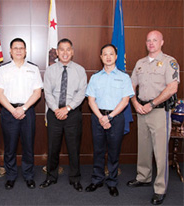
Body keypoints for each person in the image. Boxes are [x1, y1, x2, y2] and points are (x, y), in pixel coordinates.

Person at [128, 30, 179, 205]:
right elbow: (131, 85)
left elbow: (172, 88)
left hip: (158, 112)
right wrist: (135, 103)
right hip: (141, 110)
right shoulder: (140, 63)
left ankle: (160, 188)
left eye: (155, 40)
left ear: (162, 42)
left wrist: (152, 104)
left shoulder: (169, 62)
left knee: (160, 151)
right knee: (143, 147)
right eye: (148, 40)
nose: (151, 43)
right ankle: (143, 177)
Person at [0, 38, 43, 190]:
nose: (19, 50)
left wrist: (24, 108)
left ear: (26, 51)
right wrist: (13, 110)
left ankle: (28, 176)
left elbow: (37, 93)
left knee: (28, 146)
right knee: (10, 146)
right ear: (10, 51)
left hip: (28, 111)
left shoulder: (33, 69)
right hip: (9, 112)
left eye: (21, 48)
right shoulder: (3, 69)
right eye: (15, 48)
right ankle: (11, 176)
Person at [85, 44, 134, 197]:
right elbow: (91, 100)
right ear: (101, 57)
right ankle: (97, 179)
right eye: (105, 54)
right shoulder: (95, 77)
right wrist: (101, 117)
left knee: (113, 151)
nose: (108, 57)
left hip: (116, 118)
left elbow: (125, 100)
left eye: (111, 54)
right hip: (98, 118)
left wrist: (110, 117)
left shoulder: (124, 77)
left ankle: (112, 182)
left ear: (116, 56)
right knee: (98, 150)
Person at [40, 38, 87, 192]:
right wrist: (56, 110)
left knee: (74, 148)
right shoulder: (50, 70)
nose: (65, 53)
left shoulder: (80, 70)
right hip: (54, 113)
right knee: (53, 147)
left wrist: (67, 109)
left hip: (73, 113)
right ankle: (51, 177)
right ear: (57, 52)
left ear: (72, 52)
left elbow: (81, 94)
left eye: (68, 49)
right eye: (62, 49)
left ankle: (75, 179)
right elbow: (47, 92)